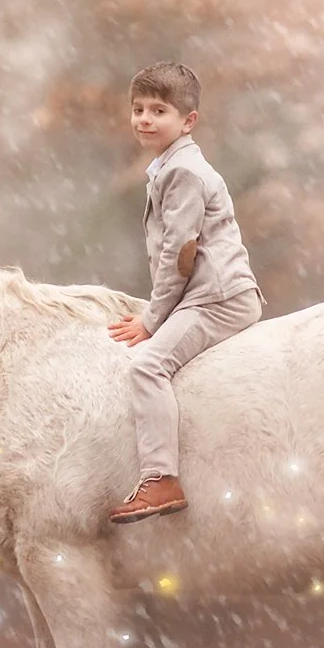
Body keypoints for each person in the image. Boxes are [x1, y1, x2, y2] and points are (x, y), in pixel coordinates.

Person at [106, 61, 263, 524]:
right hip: (203, 294)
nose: (145, 120)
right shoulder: (168, 166)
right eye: (138, 109)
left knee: (147, 366)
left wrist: (152, 320)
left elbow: (180, 253)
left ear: (188, 121)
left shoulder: (185, 173)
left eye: (159, 110)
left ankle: (161, 479)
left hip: (218, 298)